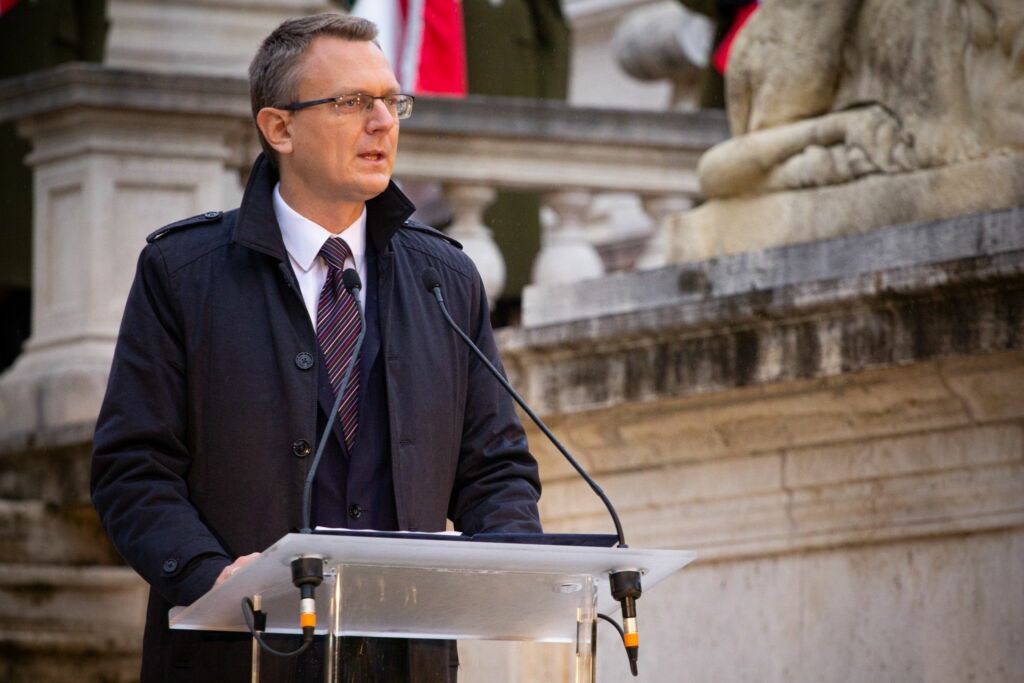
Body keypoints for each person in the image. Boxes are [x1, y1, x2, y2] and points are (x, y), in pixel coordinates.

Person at [90, 13, 542, 683]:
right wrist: (210, 575)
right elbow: (133, 467)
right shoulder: (183, 275)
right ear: (280, 128)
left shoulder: (445, 278)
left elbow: (495, 468)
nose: (382, 123)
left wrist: (510, 560)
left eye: (391, 102)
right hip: (238, 656)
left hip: (405, 662)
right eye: (352, 102)